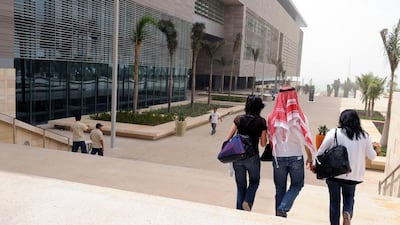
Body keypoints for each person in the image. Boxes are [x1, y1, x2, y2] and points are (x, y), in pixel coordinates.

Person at [315, 109, 377, 225]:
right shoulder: (365, 136)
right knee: (349, 197)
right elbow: (372, 156)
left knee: (334, 202)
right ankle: (347, 212)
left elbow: (320, 152)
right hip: (353, 175)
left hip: (334, 173)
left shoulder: (334, 133)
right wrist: (375, 150)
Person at [267, 86, 316, 218]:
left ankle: (279, 216)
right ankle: (283, 208)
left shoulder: (271, 117)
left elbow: (270, 138)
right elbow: (306, 140)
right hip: (296, 158)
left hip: (278, 158)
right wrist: (310, 157)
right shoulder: (301, 117)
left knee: (279, 188)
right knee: (297, 184)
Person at [225, 95, 267, 211]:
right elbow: (263, 143)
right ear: (259, 108)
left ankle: (239, 211)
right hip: (253, 156)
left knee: (240, 185)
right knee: (254, 181)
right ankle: (248, 201)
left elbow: (228, 137)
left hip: (238, 156)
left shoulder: (239, 119)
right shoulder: (262, 122)